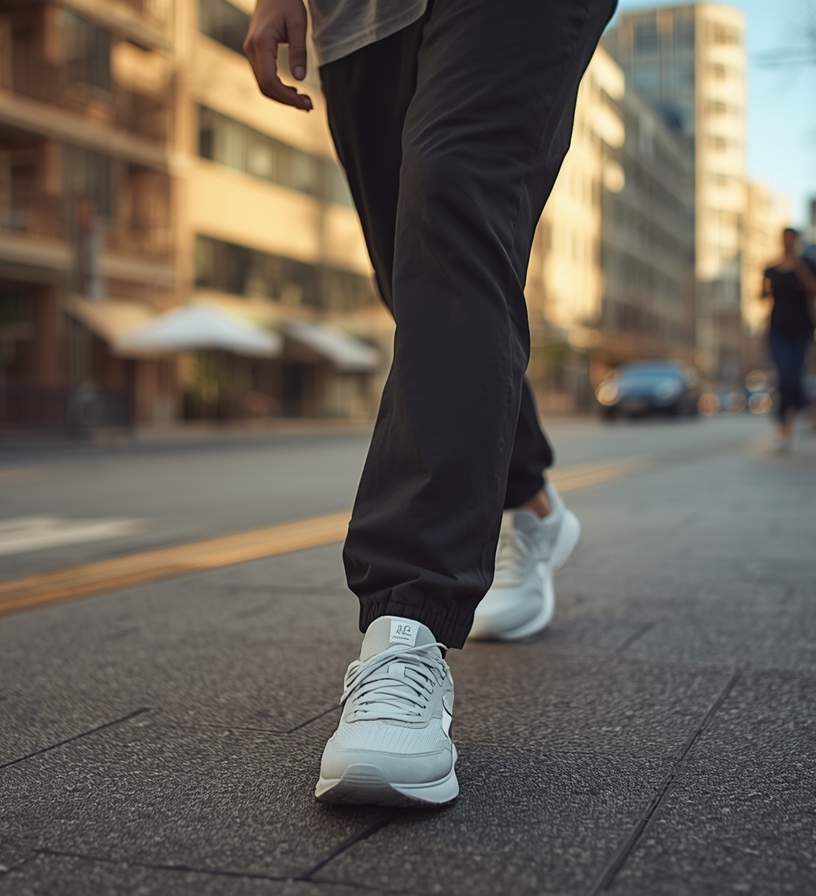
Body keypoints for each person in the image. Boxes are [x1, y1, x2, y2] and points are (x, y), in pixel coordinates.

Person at [244, 0, 605, 807]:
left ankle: (406, 628)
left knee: (451, 204)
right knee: (417, 278)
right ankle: (531, 499)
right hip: (362, 17)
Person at [761, 228, 816, 451]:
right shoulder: (771, 269)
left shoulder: (807, 266)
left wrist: (805, 276)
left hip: (801, 330)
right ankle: (784, 427)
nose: (788, 243)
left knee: (795, 378)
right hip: (777, 330)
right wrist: (765, 289)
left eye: (792, 239)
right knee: (784, 375)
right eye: (785, 239)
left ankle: (791, 419)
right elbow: (762, 296)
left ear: (797, 241)